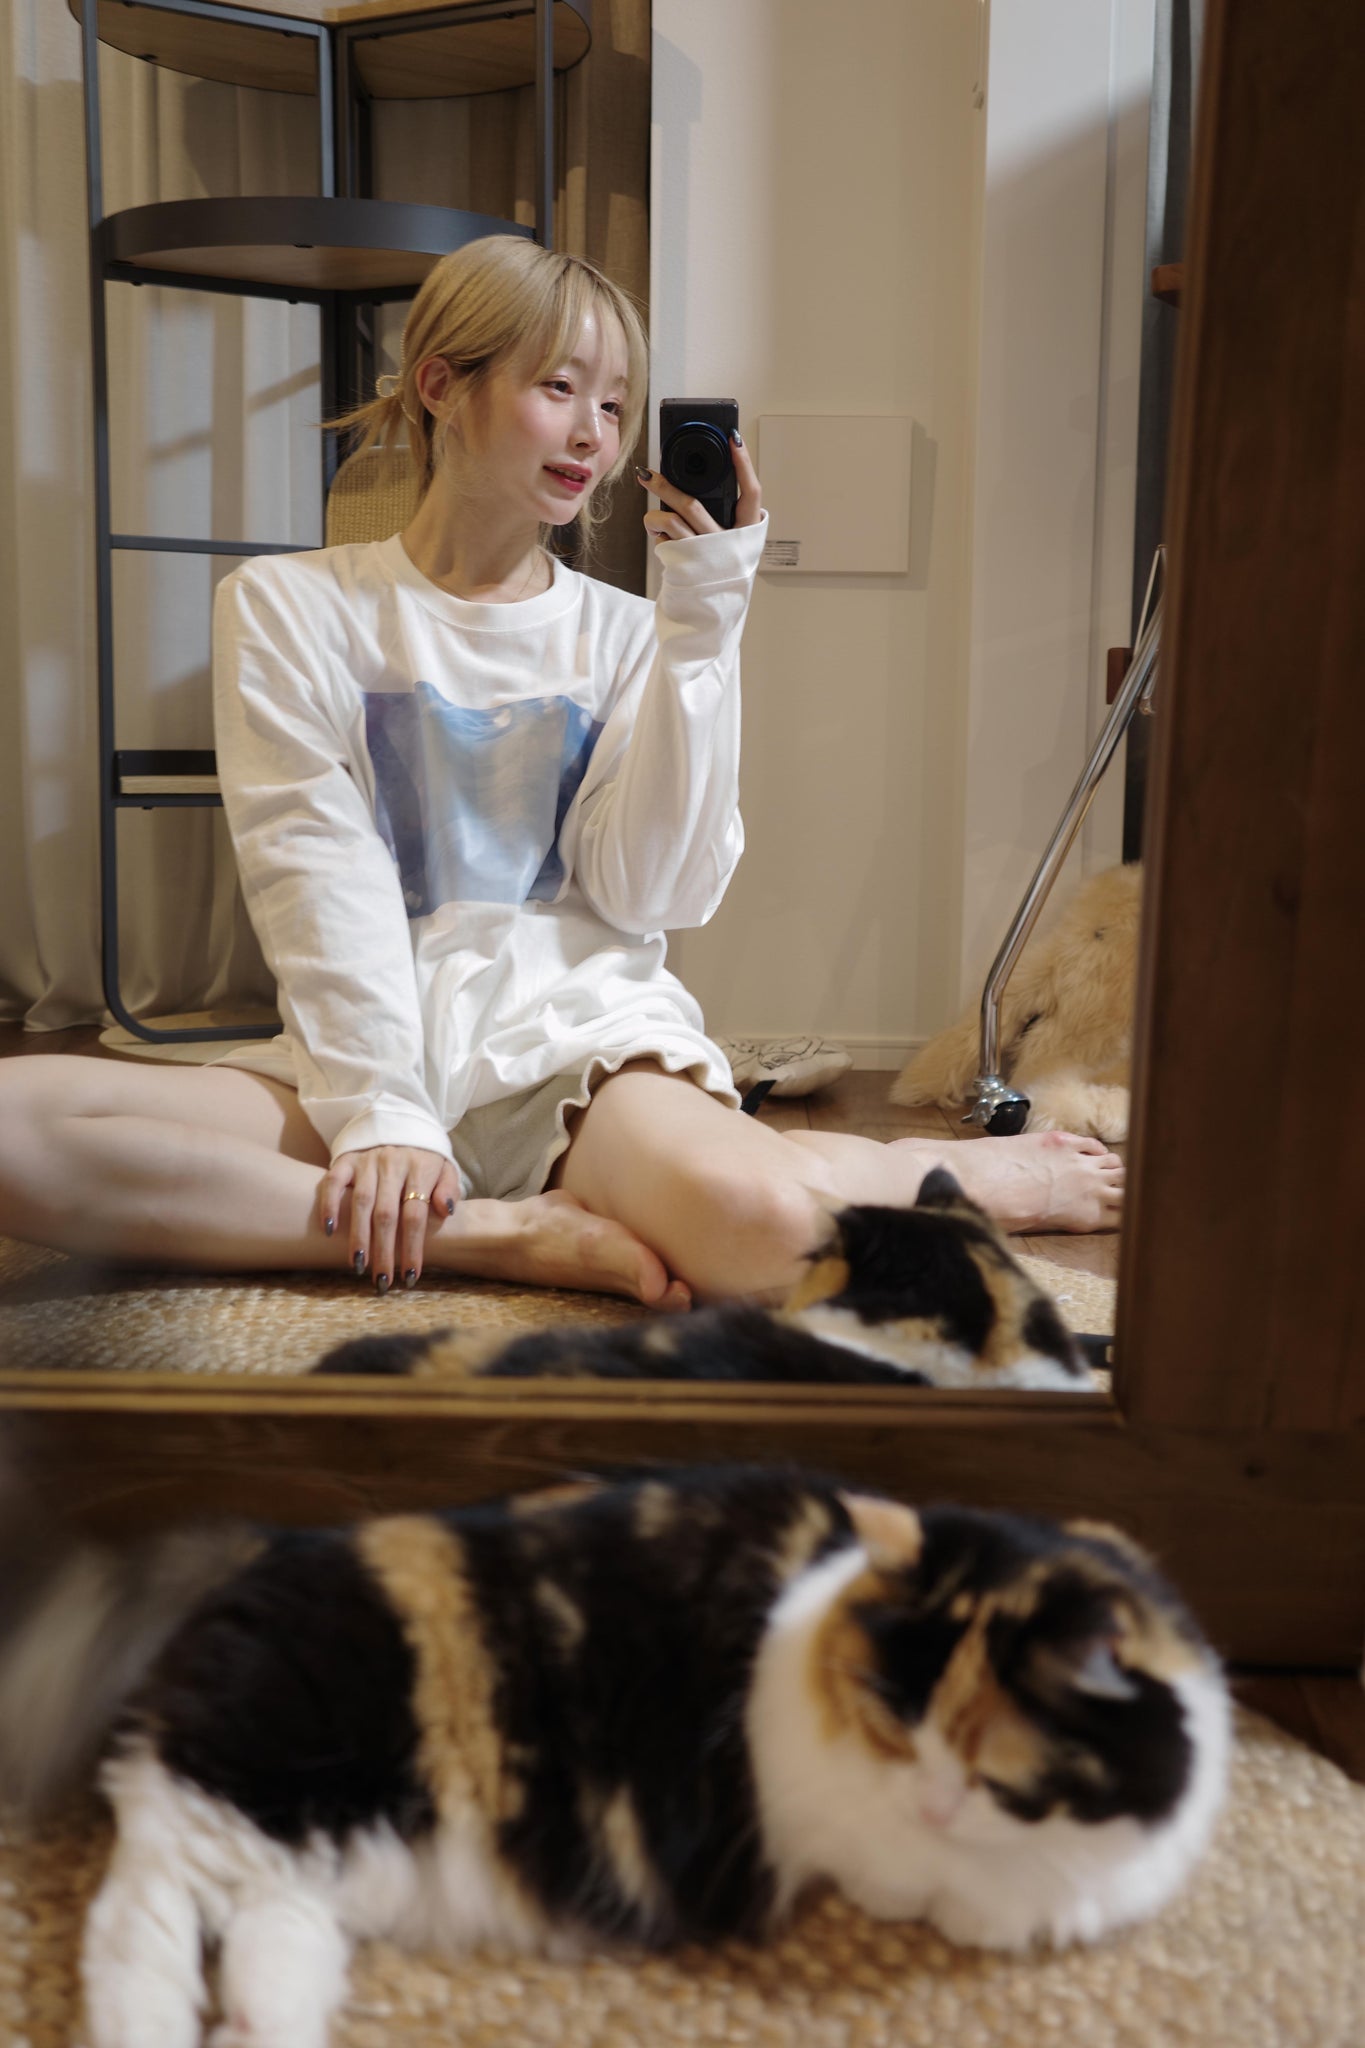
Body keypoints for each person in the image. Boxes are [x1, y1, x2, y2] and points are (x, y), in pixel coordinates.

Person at [0, 238, 1122, 1309]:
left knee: (773, 1238)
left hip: (578, 1057)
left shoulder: (631, 633)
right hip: (371, 1057)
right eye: (560, 387)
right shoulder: (290, 607)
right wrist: (384, 1111)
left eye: (617, 405)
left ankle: (909, 1171)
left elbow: (655, 893)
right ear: (441, 385)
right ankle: (494, 1233)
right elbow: (314, 876)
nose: (594, 433)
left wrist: (703, 632)